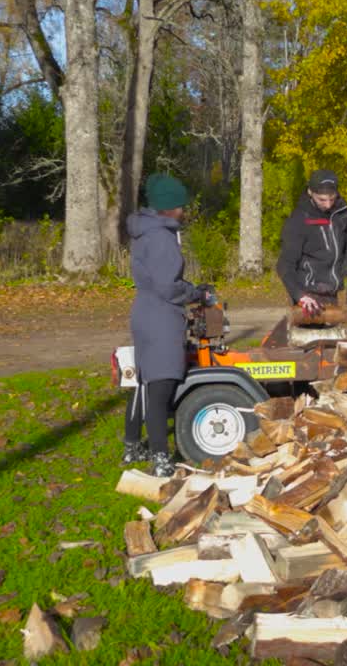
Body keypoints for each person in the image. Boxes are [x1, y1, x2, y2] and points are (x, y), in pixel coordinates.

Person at [123, 173, 214, 476]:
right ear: (170, 207)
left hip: (144, 313)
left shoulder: (145, 232)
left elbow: (161, 278)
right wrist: (197, 293)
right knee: (160, 390)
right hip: (162, 317)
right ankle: (161, 459)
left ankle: (132, 446)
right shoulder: (161, 237)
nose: (184, 211)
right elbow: (168, 287)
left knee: (144, 382)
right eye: (182, 206)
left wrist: (187, 285)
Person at [276, 169, 347, 318]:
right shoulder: (299, 219)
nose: (327, 205)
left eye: (332, 199)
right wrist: (299, 295)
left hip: (332, 291)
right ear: (310, 192)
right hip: (307, 294)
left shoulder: (342, 214)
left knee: (333, 336)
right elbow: (284, 265)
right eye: (322, 200)